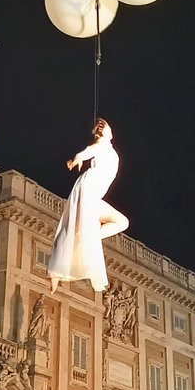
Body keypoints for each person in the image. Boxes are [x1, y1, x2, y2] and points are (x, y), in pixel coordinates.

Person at [48, 118, 129, 293]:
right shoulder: (103, 144)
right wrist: (77, 159)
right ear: (102, 133)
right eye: (103, 127)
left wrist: (79, 158)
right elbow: (88, 150)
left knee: (122, 222)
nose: (106, 127)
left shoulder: (107, 146)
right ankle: (56, 270)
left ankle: (88, 239)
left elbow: (89, 150)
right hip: (89, 189)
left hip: (93, 193)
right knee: (75, 227)